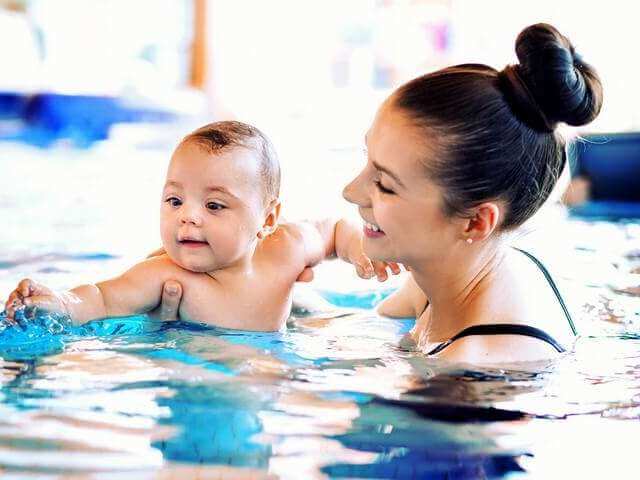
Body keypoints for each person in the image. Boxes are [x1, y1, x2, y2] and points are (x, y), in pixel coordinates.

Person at [157, 24, 603, 362]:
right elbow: (362, 329)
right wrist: (245, 301)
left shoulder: (476, 369)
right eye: (366, 160)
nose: (351, 191)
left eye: (384, 184)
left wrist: (210, 350)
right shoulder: (460, 276)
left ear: (475, 221)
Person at [4, 121, 398, 331]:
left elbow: (331, 230)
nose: (187, 217)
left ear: (268, 219)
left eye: (214, 205)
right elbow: (102, 298)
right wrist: (58, 302)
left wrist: (357, 250)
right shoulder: (165, 274)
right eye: (174, 201)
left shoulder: (284, 250)